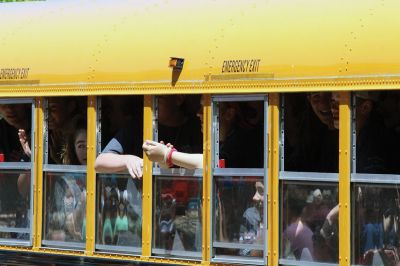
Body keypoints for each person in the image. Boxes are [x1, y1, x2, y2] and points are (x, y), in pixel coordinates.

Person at [285, 93, 338, 172]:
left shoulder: (351, 133)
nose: (323, 104)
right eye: (316, 96)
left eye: (329, 95)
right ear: (309, 100)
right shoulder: (311, 134)